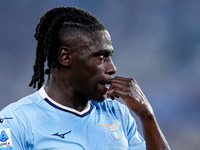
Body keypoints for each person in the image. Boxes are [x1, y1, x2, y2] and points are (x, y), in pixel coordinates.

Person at [0, 6, 170, 150]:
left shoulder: (118, 114)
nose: (112, 68)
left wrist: (147, 115)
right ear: (65, 57)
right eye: (101, 57)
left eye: (110, 56)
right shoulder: (15, 122)